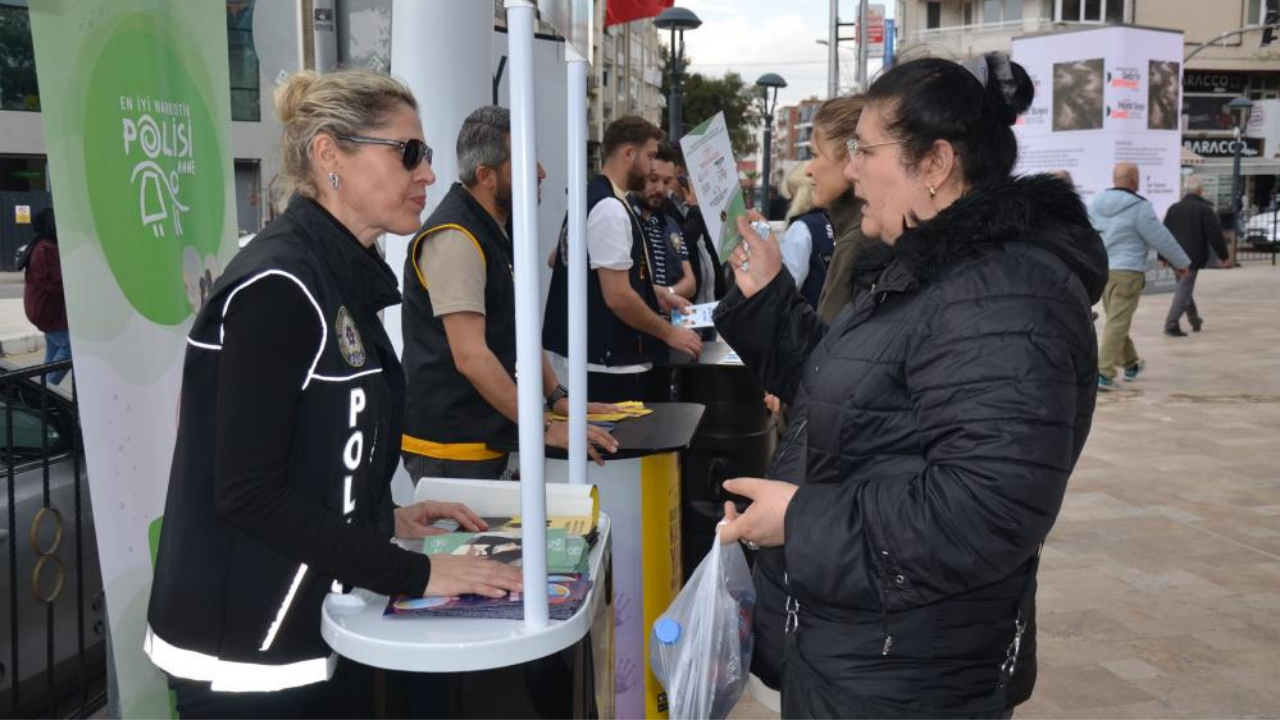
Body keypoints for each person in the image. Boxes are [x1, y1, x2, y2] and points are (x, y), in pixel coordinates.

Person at [713, 54, 1108, 718]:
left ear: (935, 163)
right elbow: (853, 394)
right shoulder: (925, 271)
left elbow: (986, 510)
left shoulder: (1002, 297)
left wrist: (802, 520)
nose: (852, 167)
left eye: (867, 150)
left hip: (911, 673)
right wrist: (770, 304)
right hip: (860, 649)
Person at [145, 71, 522, 718]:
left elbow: (314, 454)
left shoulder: (339, 276)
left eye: (426, 155)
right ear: (329, 156)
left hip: (309, 627)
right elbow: (248, 492)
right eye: (409, 153)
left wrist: (388, 521)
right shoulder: (278, 286)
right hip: (247, 654)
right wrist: (420, 574)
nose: (428, 174)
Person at [400, 106, 618, 480]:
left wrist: (556, 397)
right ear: (485, 176)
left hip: (488, 437)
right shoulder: (457, 236)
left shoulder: (496, 227)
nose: (540, 172)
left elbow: (517, 328)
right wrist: (545, 428)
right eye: (524, 161)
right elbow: (471, 356)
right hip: (454, 449)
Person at [543, 116, 701, 402]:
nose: (653, 165)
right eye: (650, 156)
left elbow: (571, 266)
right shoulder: (609, 209)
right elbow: (617, 296)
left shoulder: (590, 196)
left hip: (592, 356)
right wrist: (669, 333)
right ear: (629, 153)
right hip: (609, 362)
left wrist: (660, 295)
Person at [1089, 162, 1191, 391]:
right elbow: (1160, 237)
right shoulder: (1139, 207)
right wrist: (1181, 263)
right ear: (1135, 179)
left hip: (1104, 271)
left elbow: (1086, 234)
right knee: (1118, 322)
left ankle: (1131, 363)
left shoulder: (1096, 203)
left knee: (1116, 320)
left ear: (1114, 178)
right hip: (1128, 272)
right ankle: (1103, 374)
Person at [807, 95, 895, 323]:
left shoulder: (857, 242)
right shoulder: (861, 232)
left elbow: (825, 351)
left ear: (850, 159)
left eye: (815, 155)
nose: (808, 169)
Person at [1163, 174, 1229, 336]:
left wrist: (1163, 256)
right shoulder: (1204, 209)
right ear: (1200, 191)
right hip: (1193, 257)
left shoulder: (1174, 208)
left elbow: (1164, 233)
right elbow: (1215, 234)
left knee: (1184, 288)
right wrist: (1224, 256)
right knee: (1184, 289)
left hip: (1175, 255)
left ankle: (1194, 320)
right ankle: (1171, 323)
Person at [631, 143, 695, 301]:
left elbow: (690, 283)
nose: (660, 188)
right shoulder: (624, 219)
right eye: (653, 179)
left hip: (668, 322)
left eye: (667, 182)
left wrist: (667, 293)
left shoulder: (670, 224)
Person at [22, 207, 71, 385]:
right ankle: (48, 392)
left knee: (54, 349)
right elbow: (55, 282)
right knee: (70, 347)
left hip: (46, 311)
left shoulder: (43, 244)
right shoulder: (45, 248)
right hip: (48, 312)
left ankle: (42, 391)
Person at [780, 162, 835, 309]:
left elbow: (786, 287)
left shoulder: (801, 228)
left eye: (792, 195)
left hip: (808, 322)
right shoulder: (832, 221)